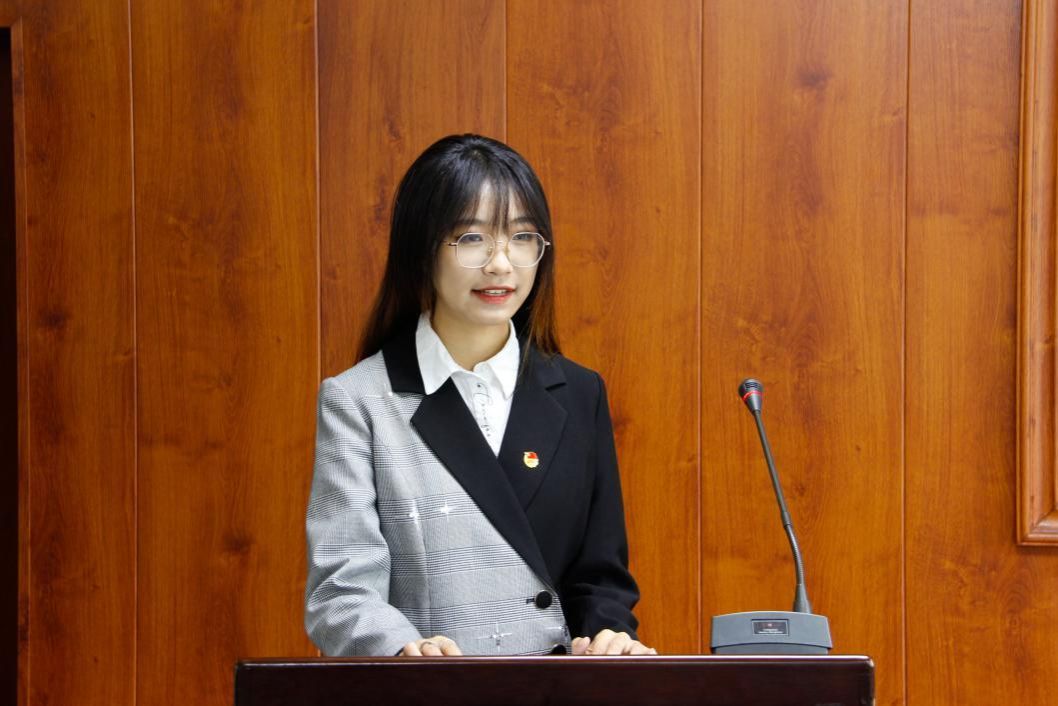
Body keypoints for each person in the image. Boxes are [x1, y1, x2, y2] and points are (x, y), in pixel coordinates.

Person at [304, 134, 653, 657]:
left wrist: (608, 635)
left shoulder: (580, 393)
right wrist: (402, 649)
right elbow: (341, 592)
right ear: (422, 249)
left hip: (557, 691)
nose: (501, 264)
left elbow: (600, 576)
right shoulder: (358, 401)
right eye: (472, 238)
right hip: (431, 690)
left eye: (522, 237)